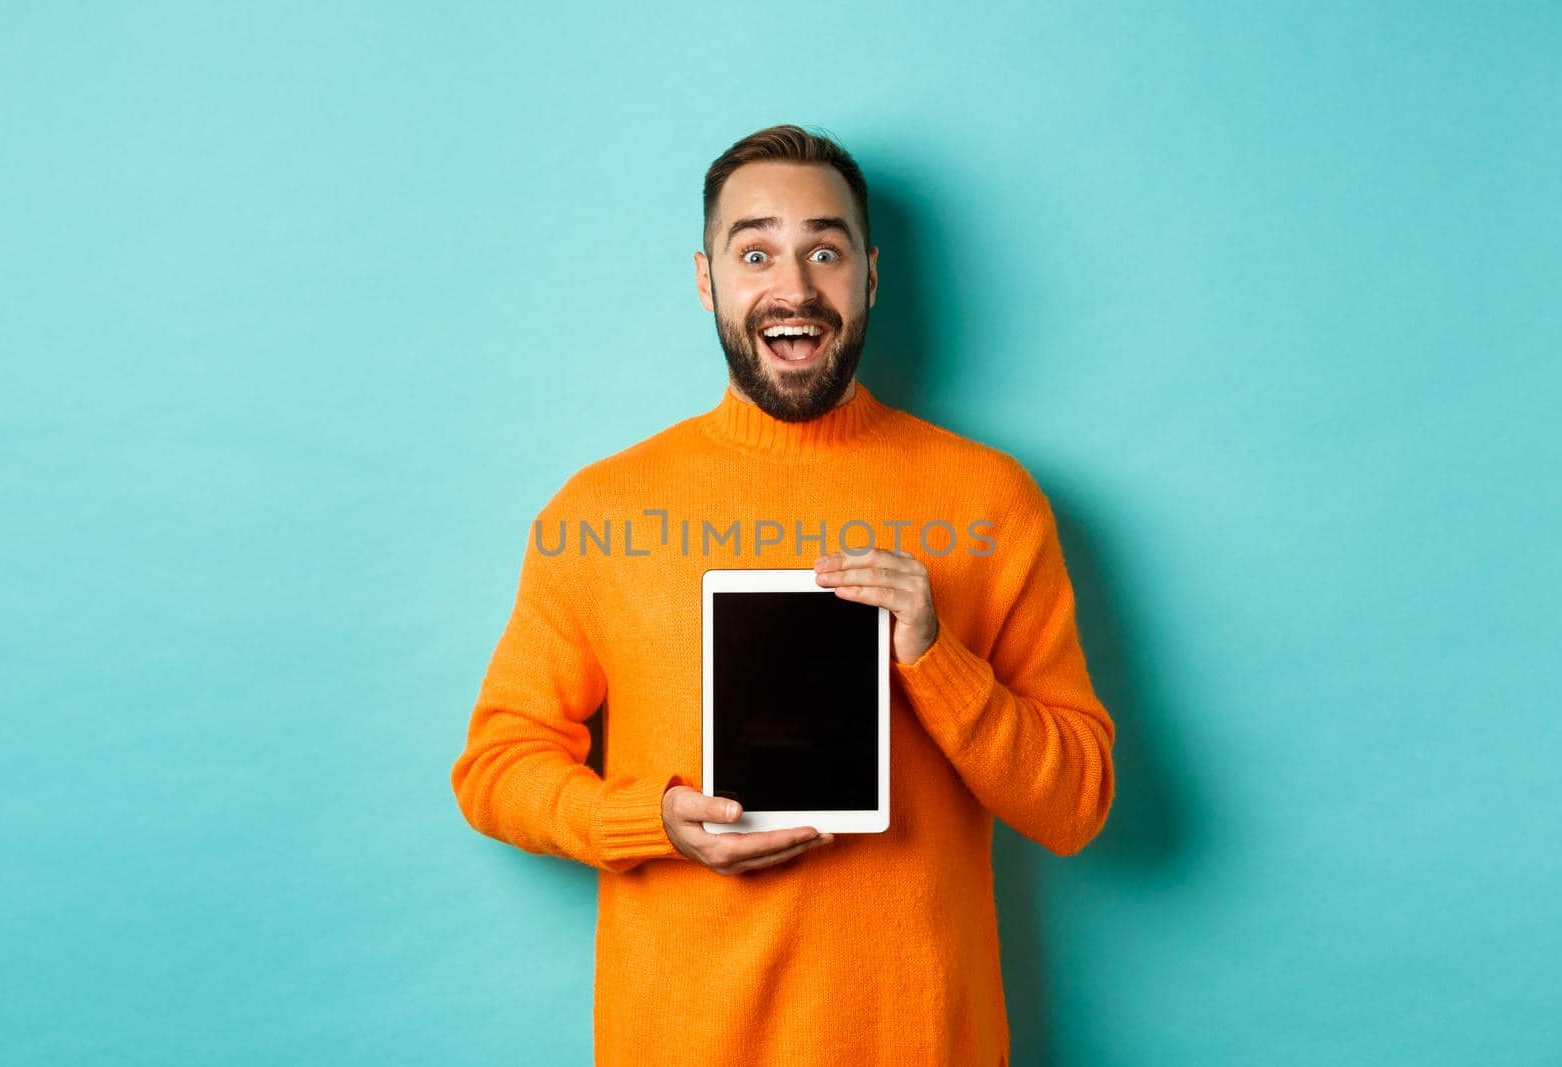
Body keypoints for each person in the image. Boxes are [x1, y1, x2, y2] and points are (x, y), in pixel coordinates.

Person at [450, 123, 1116, 1066]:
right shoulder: (599, 509)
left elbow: (1077, 802)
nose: (794, 287)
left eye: (826, 251)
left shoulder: (990, 501)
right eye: (755, 250)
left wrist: (937, 658)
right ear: (705, 279)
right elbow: (495, 765)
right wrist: (652, 821)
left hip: (921, 1041)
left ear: (871, 276)